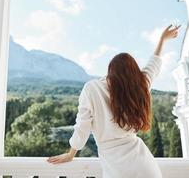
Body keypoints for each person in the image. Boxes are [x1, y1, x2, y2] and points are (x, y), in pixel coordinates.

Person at [47, 24, 180, 178]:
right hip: (145, 167)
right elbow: (154, 65)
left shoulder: (92, 88)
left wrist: (72, 153)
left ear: (110, 70)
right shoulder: (139, 86)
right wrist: (162, 40)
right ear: (134, 73)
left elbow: (82, 125)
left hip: (116, 168)